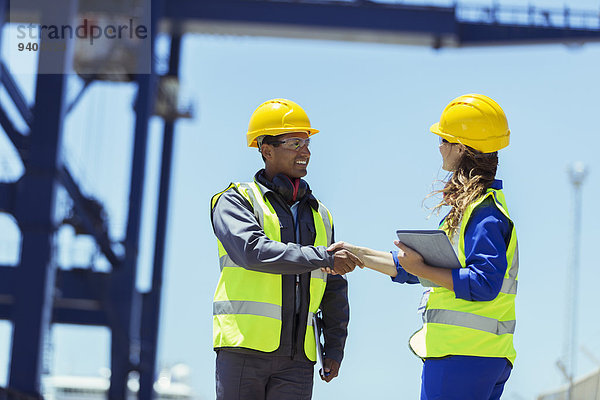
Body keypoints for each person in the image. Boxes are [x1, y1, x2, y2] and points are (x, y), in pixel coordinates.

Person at [329, 94, 519, 400]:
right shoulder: (475, 210)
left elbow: (485, 283)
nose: (439, 146)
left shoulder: (483, 213)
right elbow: (419, 270)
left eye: (444, 139)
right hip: (481, 355)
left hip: (461, 355)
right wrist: (360, 254)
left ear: (461, 148)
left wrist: (422, 268)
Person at [210, 98, 361, 400]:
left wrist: (334, 345)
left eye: (307, 143)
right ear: (266, 150)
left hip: (298, 359)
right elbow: (253, 251)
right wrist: (324, 257)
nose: (305, 151)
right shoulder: (235, 200)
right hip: (244, 350)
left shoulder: (322, 215)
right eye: (295, 143)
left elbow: (332, 284)